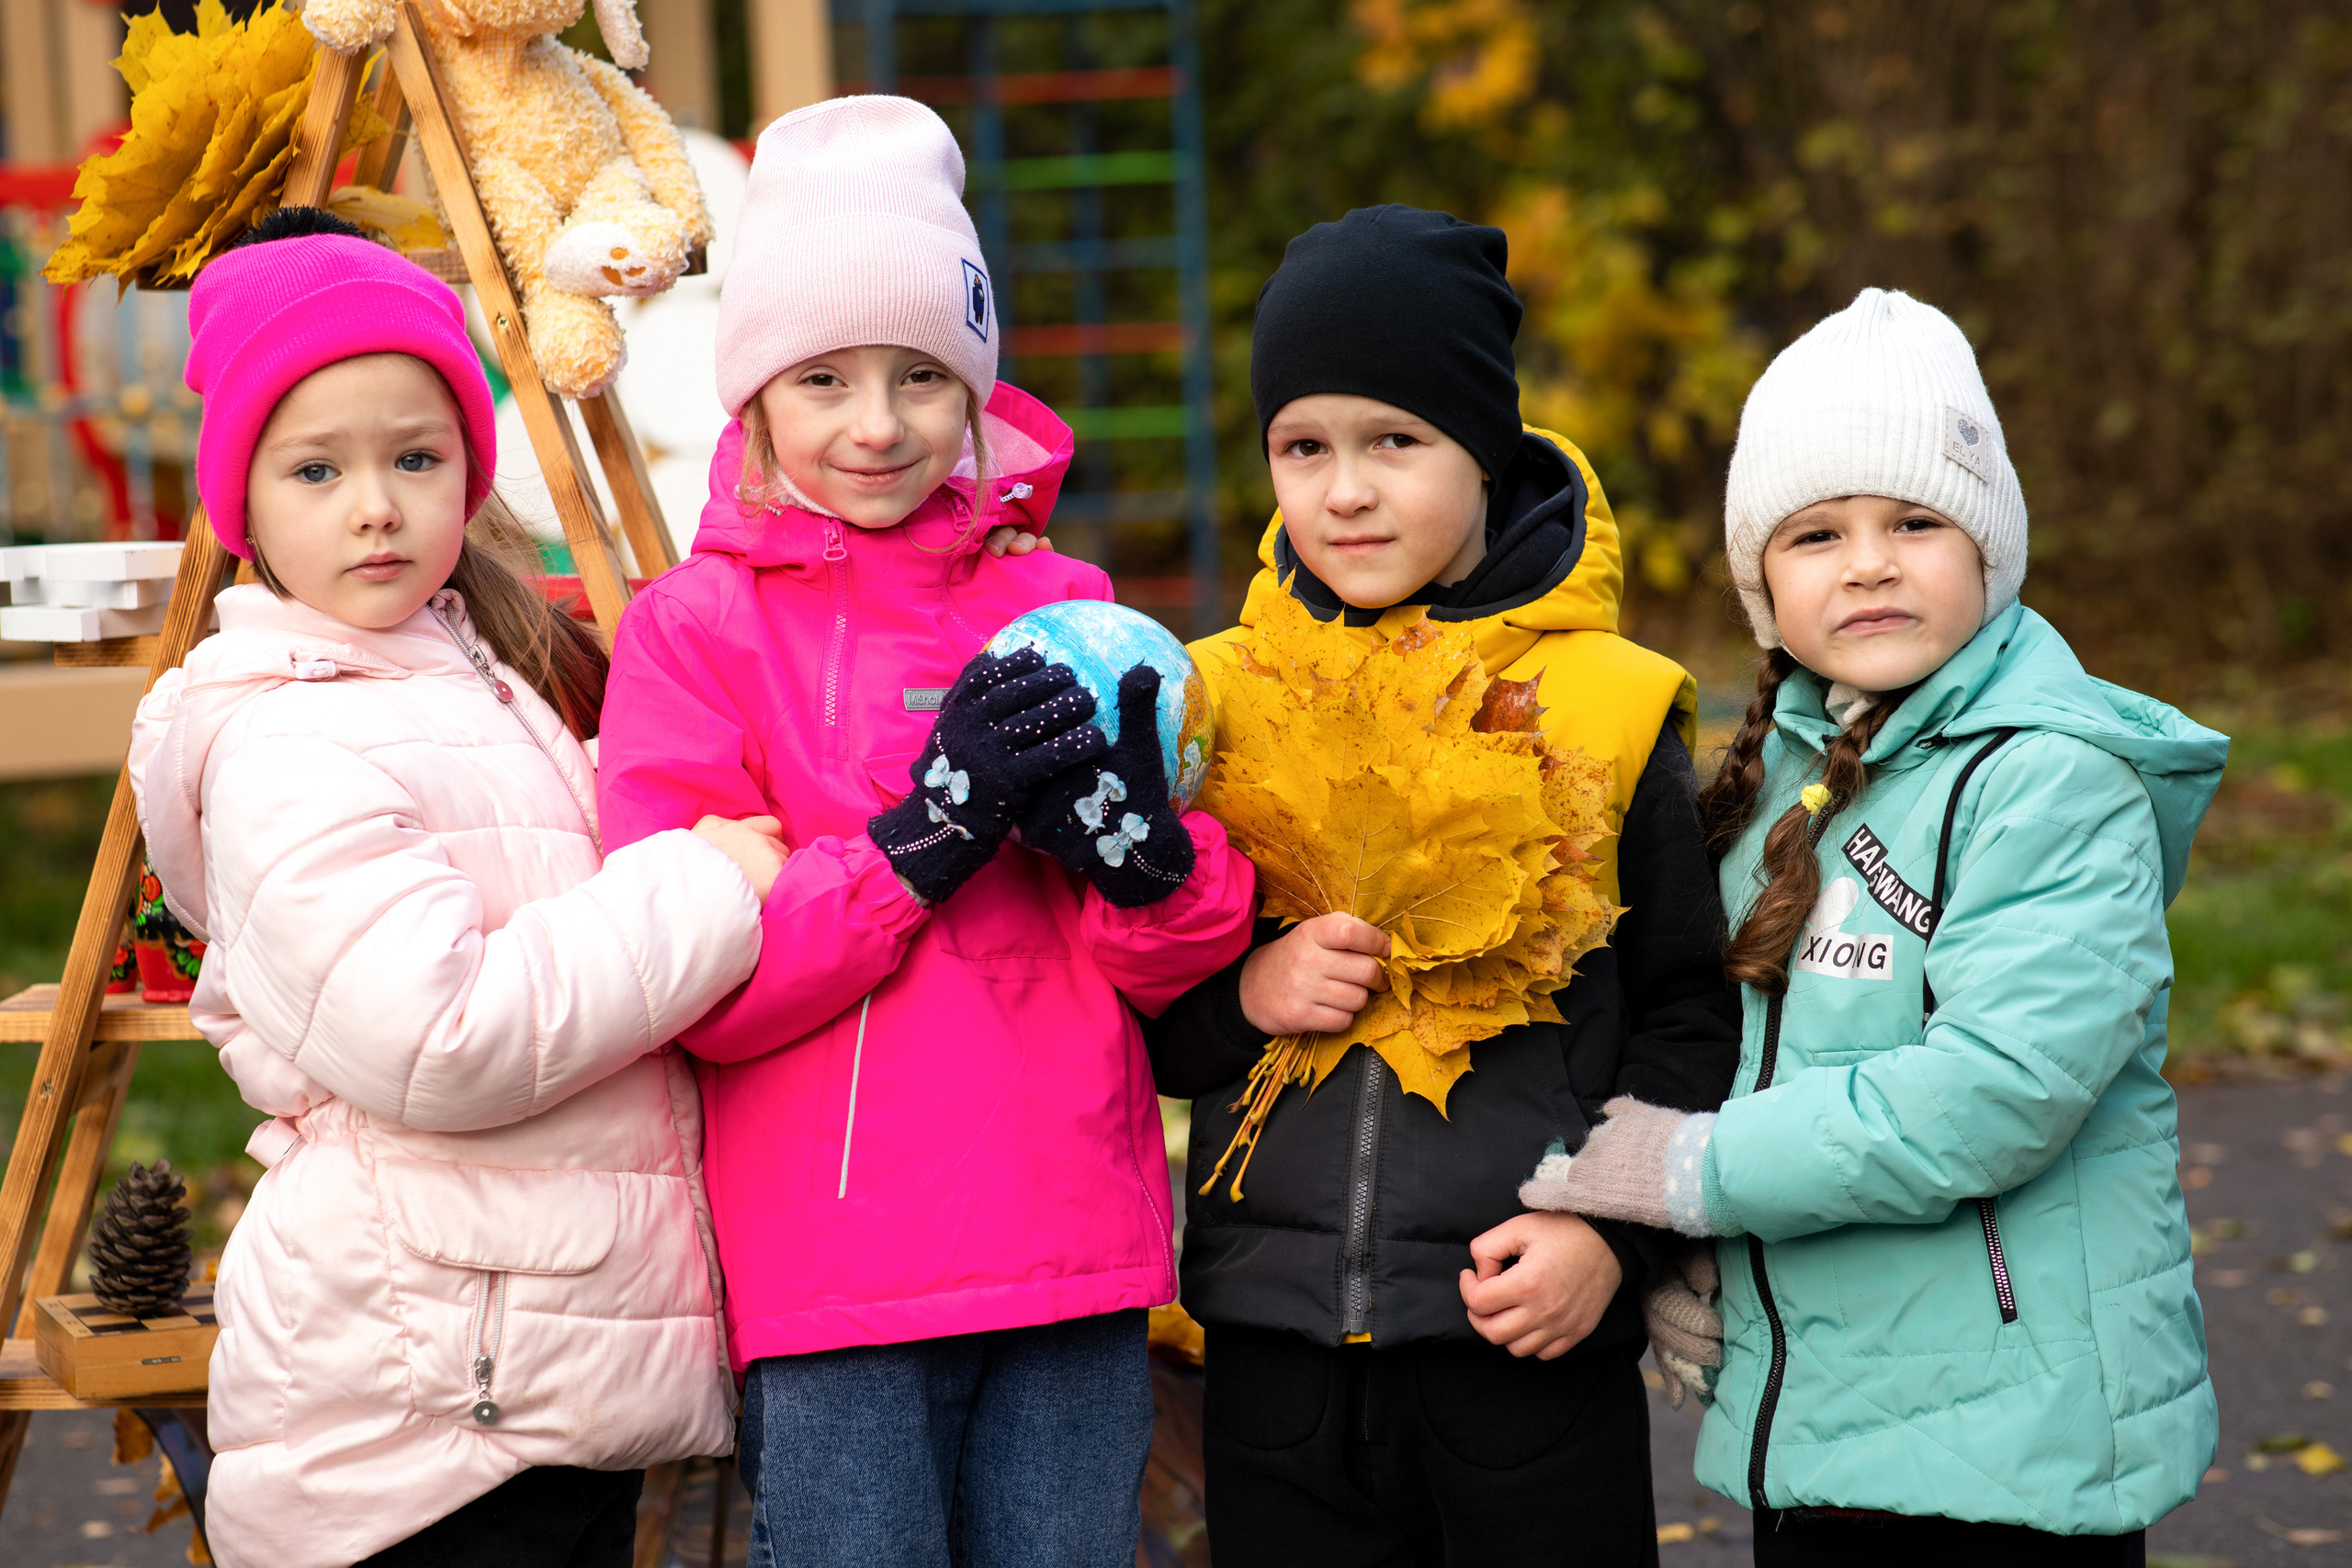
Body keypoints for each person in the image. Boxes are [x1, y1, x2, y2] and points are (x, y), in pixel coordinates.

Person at [593, 97, 1260, 1568]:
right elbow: (692, 984)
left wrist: (1152, 868)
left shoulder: (1066, 607)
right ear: (751, 394)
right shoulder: (692, 633)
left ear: (977, 388)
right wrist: (921, 843)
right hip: (835, 1280)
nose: (878, 423)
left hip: (1072, 1246)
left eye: (921, 375)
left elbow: (1177, 957)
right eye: (822, 377)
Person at [1525, 288, 2224, 1565]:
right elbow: (1735, 1051)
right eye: (1814, 533)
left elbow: (1995, 1093)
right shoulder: (1761, 797)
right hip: (1819, 1432)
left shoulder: (2051, 779)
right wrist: (1689, 1256)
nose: (1868, 562)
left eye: (1916, 520)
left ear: (1992, 547)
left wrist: (1692, 1178)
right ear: (1761, 579)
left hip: (2013, 1450)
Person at [127, 209, 784, 1568]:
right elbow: (442, 1036)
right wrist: (705, 891)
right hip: (423, 1410)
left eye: (416, 457)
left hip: (526, 1364)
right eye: (316, 469)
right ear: (238, 501)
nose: (377, 504)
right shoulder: (286, 741)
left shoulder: (473, 679)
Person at [1140, 204, 1744, 1567]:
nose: (1344, 491)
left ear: (1486, 450)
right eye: (1304, 448)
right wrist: (1245, 993)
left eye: (1393, 442)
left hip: (1520, 1346)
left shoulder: (1609, 703)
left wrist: (1611, 1235)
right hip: (1271, 1362)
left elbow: (1691, 1024)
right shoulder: (1217, 702)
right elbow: (1142, 1019)